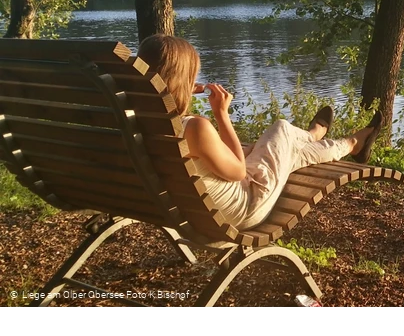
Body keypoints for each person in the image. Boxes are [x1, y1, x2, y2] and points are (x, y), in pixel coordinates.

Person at [136, 33, 383, 230]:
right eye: (192, 76)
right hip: (242, 209)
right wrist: (222, 114)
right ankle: (321, 137)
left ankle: (343, 142)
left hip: (185, 213)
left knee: (280, 152)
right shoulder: (194, 128)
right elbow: (239, 171)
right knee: (282, 130)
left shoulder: (137, 122)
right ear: (182, 80)